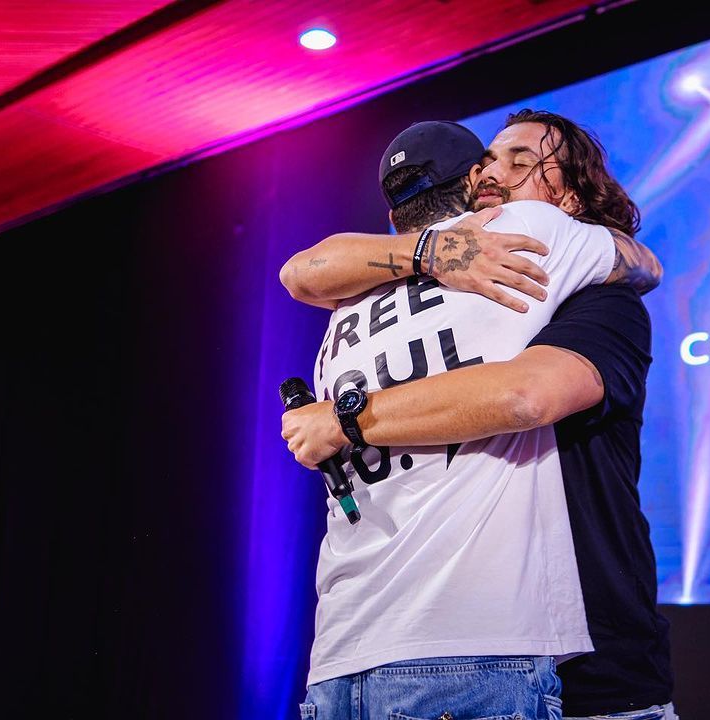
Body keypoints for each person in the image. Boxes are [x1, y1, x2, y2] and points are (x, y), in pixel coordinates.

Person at [281, 117, 665, 720]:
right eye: (487, 161)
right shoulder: (482, 246)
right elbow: (643, 267)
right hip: (476, 646)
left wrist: (342, 420)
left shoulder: (352, 298)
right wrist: (438, 250)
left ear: (569, 197)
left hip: (349, 652)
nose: (494, 173)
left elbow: (300, 271)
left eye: (520, 162)